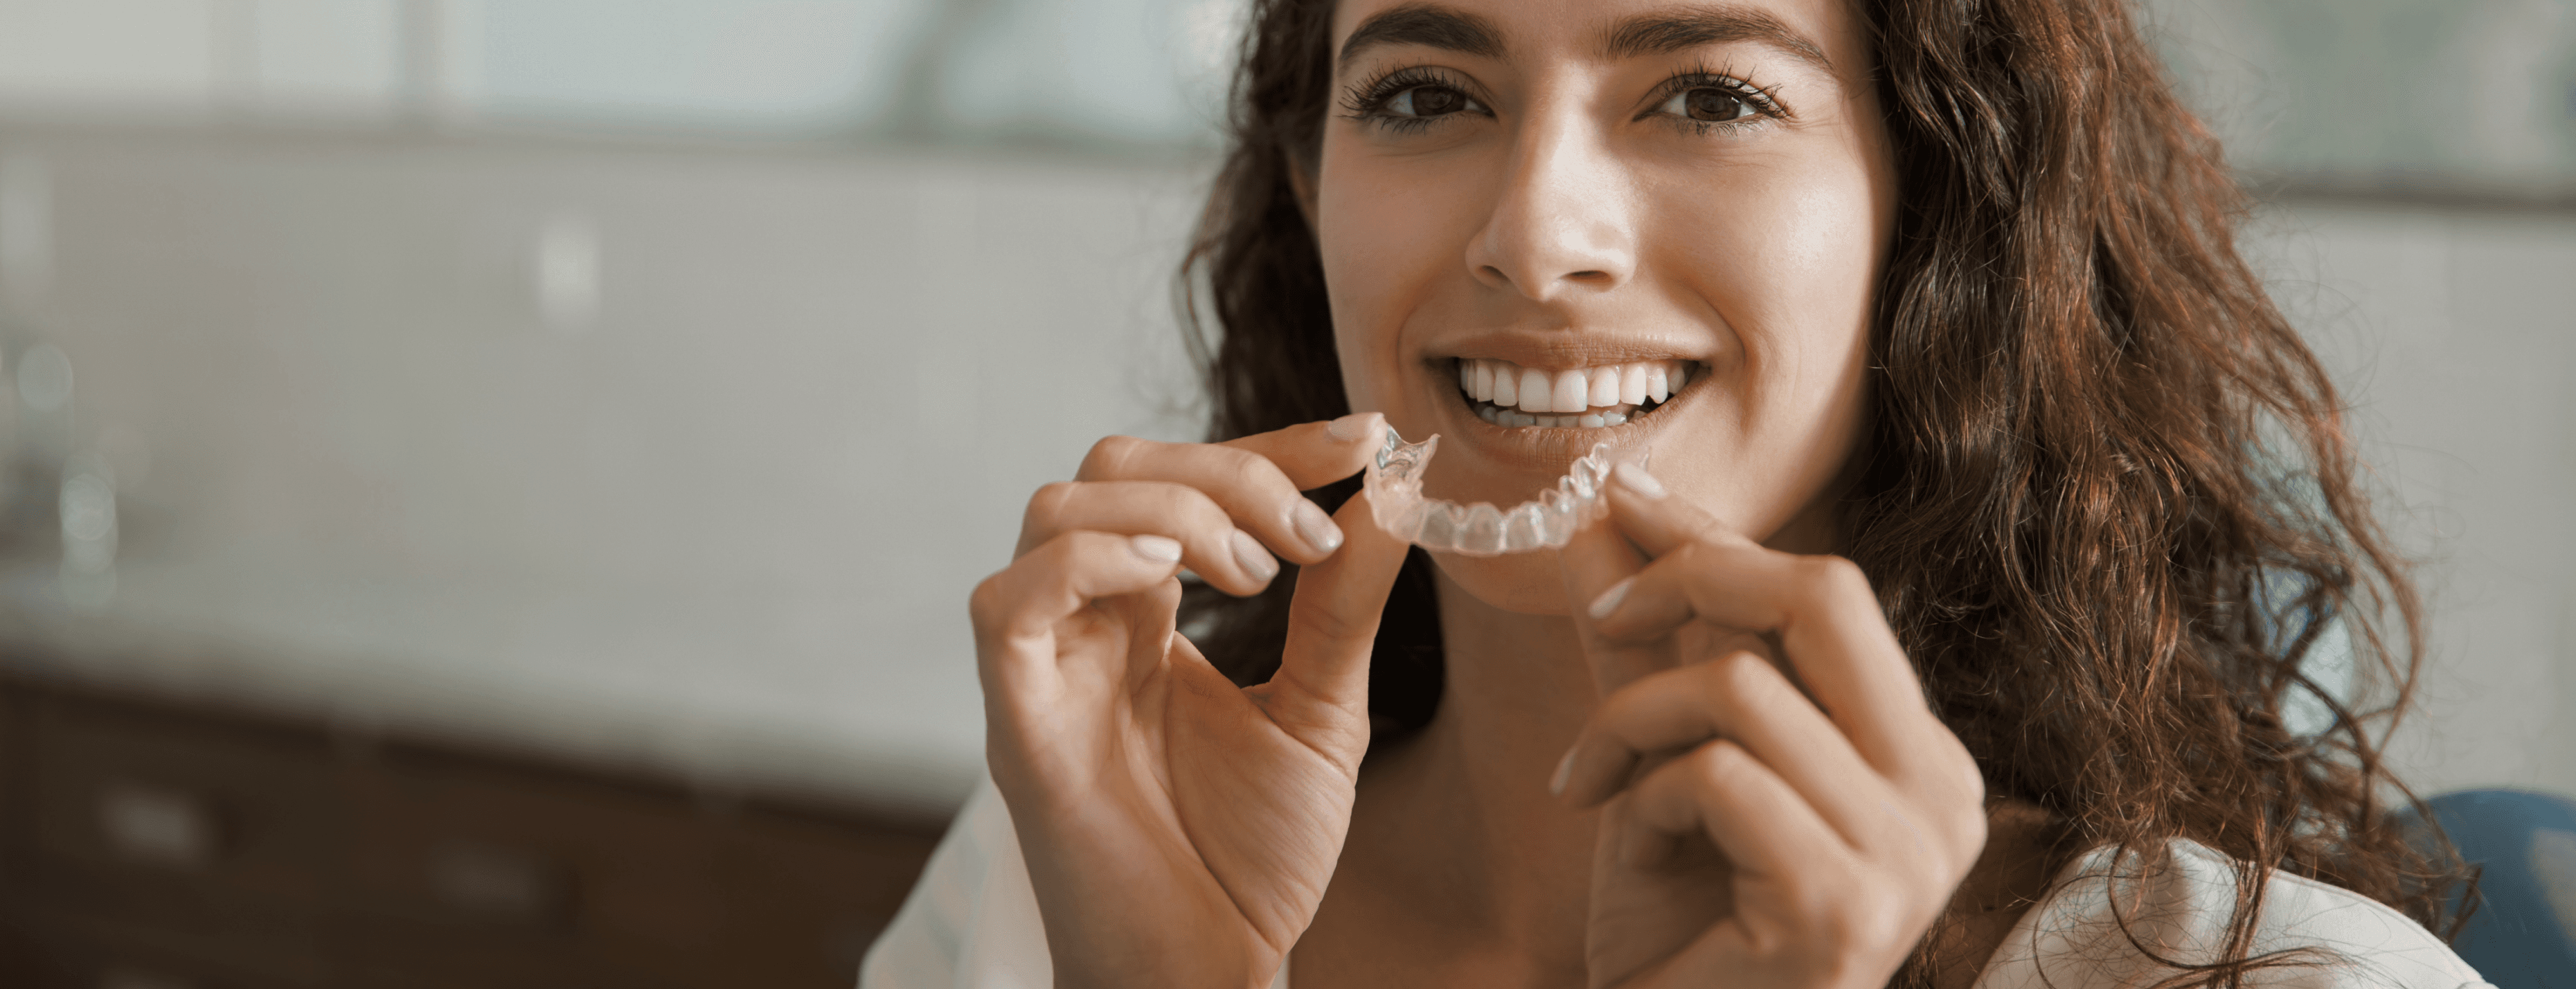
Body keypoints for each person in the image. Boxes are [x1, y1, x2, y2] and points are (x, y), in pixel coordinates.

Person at [864, 0, 2495, 986]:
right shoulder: (1051, 879)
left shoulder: (2281, 983)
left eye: (1711, 93)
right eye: (1426, 92)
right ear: (1310, 191)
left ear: (1935, 208)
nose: (1536, 231)